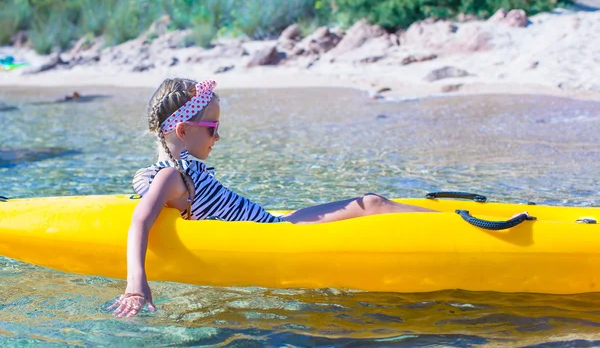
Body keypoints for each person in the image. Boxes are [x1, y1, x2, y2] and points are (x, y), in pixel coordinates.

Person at [108, 78, 436, 318]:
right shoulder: (171, 176)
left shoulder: (174, 173)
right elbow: (141, 220)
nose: (218, 136)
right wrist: (136, 284)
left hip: (276, 224)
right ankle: (454, 226)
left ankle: (445, 218)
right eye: (212, 128)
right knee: (372, 203)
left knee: (373, 202)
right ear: (183, 131)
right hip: (278, 232)